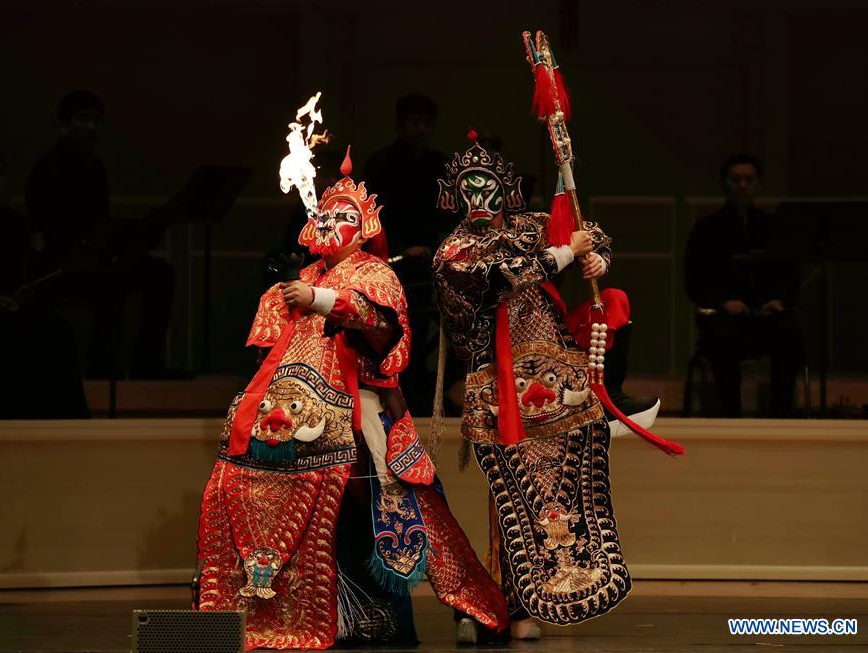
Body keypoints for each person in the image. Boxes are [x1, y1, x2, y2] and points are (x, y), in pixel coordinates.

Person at [195, 147, 507, 649]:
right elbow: (265, 354)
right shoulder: (300, 278)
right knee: (235, 490)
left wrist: (320, 300)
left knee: (403, 503)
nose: (333, 223)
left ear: (364, 227)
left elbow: (382, 324)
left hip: (359, 405)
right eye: (327, 214)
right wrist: (288, 294)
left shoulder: (373, 272)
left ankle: (471, 606)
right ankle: (286, 610)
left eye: (346, 216)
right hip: (291, 415)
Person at [432, 136, 681, 638]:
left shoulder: (532, 225)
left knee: (559, 486)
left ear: (508, 192)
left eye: (487, 187)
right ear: (453, 196)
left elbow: (590, 233)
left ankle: (520, 603)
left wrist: (595, 259)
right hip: (498, 382)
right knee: (511, 494)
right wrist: (569, 252)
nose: (479, 198)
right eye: (468, 189)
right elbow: (509, 276)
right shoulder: (454, 252)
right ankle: (495, 603)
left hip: (556, 375)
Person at [26, 90, 175, 379]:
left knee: (160, 273)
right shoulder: (48, 169)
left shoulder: (94, 167)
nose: (91, 128)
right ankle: (102, 366)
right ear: (65, 124)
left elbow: (100, 222)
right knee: (113, 282)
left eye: (95, 120)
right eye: (83, 119)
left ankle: (145, 363)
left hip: (95, 258)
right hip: (63, 264)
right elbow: (45, 229)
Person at [684, 154, 803, 417]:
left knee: (790, 335)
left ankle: (782, 415)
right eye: (736, 179)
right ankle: (730, 415)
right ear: (725, 184)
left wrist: (779, 300)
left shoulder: (772, 226)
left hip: (766, 315)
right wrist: (722, 302)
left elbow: (790, 273)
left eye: (749, 179)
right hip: (725, 316)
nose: (743, 185)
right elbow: (694, 278)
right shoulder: (707, 228)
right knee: (722, 336)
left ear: (758, 184)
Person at [0, 146, 89, 418]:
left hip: (11, 307)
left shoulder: (11, 221)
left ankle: (69, 423)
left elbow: (24, 272)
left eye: (0, 173)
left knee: (56, 329)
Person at [363, 93, 447, 415]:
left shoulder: (439, 164)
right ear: (401, 125)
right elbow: (374, 216)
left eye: (427, 123)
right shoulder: (381, 163)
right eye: (415, 122)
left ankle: (423, 389)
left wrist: (433, 246)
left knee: (428, 326)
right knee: (396, 327)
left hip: (430, 261)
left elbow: (446, 215)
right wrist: (400, 248)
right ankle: (397, 386)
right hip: (392, 262)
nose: (422, 129)